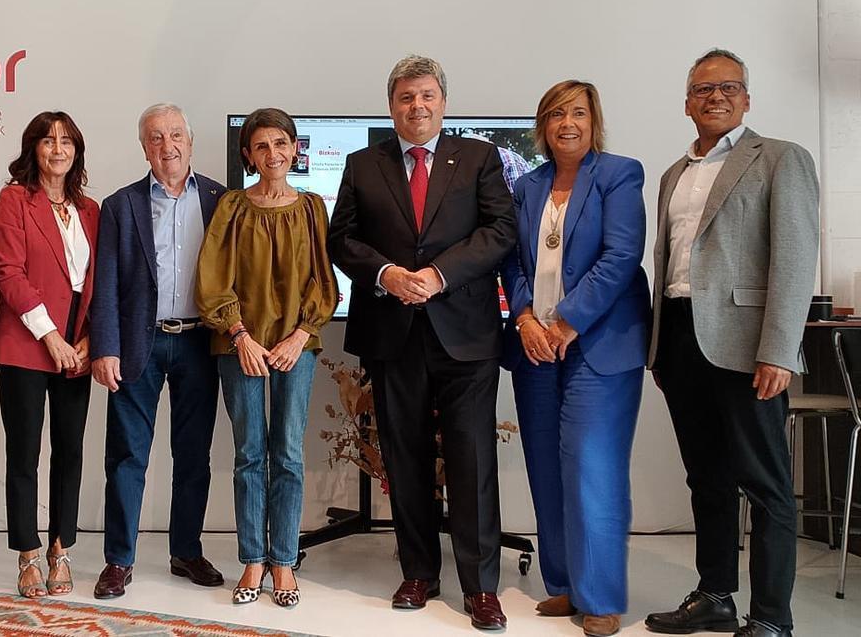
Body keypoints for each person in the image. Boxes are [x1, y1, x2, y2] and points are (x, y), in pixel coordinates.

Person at [327, 54, 517, 630]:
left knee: (471, 459)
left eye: (427, 95)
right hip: (393, 332)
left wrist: (439, 275)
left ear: (443, 102)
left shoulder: (479, 158)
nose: (417, 106)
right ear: (391, 107)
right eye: (406, 97)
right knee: (404, 456)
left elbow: (500, 230)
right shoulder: (363, 165)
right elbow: (341, 239)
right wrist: (387, 274)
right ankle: (418, 572)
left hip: (466, 335)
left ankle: (481, 587)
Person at [645, 49, 819, 637]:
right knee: (706, 478)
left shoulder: (780, 159)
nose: (715, 96)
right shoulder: (673, 173)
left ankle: (771, 618)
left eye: (728, 87)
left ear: (747, 98)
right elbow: (668, 261)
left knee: (766, 484)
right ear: (686, 103)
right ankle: (715, 595)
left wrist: (779, 350)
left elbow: (794, 260)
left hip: (746, 346)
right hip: (680, 339)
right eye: (703, 89)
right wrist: (660, 348)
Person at [500, 80, 650, 637]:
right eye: (557, 114)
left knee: (592, 467)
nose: (568, 123)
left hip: (599, 343)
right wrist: (525, 319)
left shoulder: (619, 174)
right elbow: (512, 262)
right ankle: (564, 584)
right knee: (545, 465)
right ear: (543, 125)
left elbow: (621, 256)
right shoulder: (528, 185)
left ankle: (601, 597)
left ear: (594, 121)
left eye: (579, 113)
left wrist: (567, 321)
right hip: (536, 344)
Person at [195, 107, 338, 607]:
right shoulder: (232, 207)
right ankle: (253, 558)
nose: (272, 153)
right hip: (241, 346)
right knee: (250, 454)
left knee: (289, 454)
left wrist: (301, 334)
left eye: (280, 143)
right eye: (261, 146)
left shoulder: (313, 207)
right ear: (248, 155)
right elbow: (213, 279)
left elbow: (323, 279)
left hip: (296, 345)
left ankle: (284, 561)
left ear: (295, 149)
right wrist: (240, 335)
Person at [88, 103, 226, 599]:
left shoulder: (220, 200)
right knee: (127, 455)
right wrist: (105, 347)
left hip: (199, 342)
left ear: (190, 141)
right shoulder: (120, 205)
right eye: (155, 138)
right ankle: (118, 560)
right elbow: (105, 282)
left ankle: (186, 550)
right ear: (144, 147)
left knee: (193, 454)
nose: (167, 146)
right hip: (137, 344)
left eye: (175, 135)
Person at [0, 111, 99, 598]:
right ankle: (28, 554)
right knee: (25, 453)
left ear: (77, 150)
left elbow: (98, 282)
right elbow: (8, 272)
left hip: (78, 346)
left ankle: (61, 549)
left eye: (67, 141)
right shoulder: (15, 199)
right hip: (27, 343)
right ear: (33, 147)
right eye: (49, 140)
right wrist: (50, 336)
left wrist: (89, 339)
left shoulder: (90, 209)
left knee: (70, 451)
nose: (58, 149)